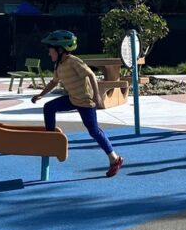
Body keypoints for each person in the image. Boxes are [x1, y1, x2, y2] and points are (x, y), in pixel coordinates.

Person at [32, 30, 123, 177]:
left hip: (85, 101)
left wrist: (97, 96)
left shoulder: (73, 61)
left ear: (60, 49)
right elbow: (54, 82)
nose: (49, 54)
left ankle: (115, 158)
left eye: (51, 51)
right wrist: (40, 94)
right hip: (72, 99)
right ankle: (50, 139)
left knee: (94, 131)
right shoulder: (59, 66)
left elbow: (91, 75)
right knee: (49, 107)